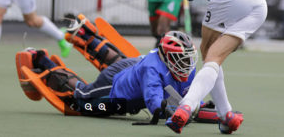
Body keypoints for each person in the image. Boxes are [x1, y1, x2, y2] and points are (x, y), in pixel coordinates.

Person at [152, 0, 267, 134]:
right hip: (256, 6)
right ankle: (226, 116)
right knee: (214, 57)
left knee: (207, 52)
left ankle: (186, 106)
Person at [20, 31, 200, 118]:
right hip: (117, 84)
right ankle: (41, 60)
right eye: (182, 59)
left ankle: (86, 35)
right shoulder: (153, 71)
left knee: (123, 63)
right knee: (82, 98)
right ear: (169, 57)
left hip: (132, 66)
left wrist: (196, 105)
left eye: (188, 59)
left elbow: (190, 96)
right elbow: (155, 104)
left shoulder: (175, 66)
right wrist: (177, 113)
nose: (187, 64)